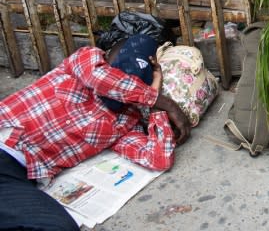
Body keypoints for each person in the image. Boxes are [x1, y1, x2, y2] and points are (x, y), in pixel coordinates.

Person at [0, 34, 191, 231]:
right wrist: (161, 101)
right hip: (4, 142)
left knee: (56, 226)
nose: (131, 71)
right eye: (124, 61)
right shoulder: (84, 60)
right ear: (108, 55)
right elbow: (101, 79)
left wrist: (156, 103)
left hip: (15, 175)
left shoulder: (124, 120)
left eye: (142, 69)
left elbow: (159, 158)